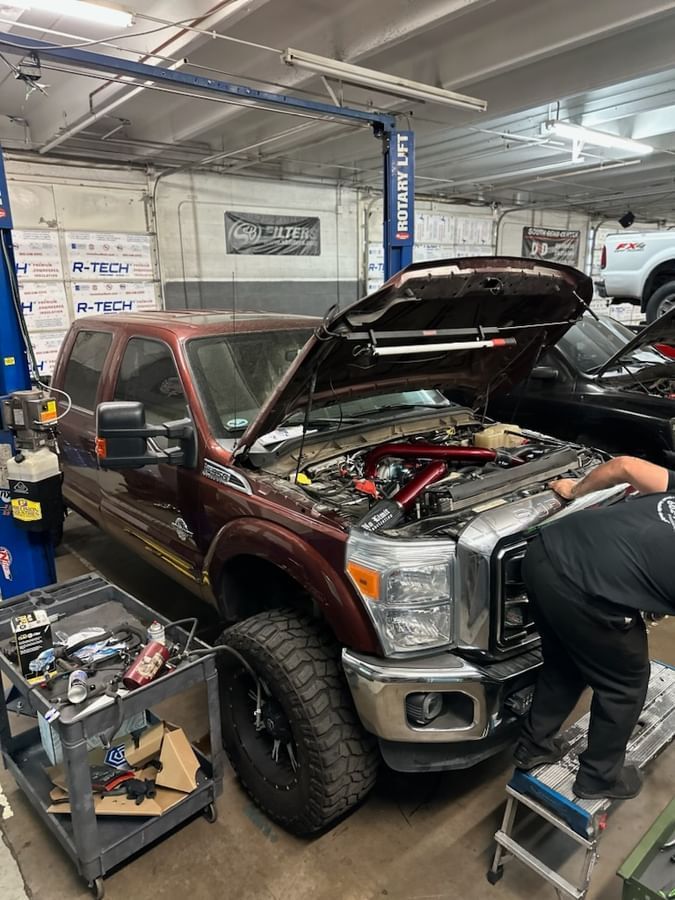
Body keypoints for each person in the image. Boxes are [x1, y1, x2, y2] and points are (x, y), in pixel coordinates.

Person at [512, 455, 675, 800]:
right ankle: (598, 779)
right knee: (625, 683)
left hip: (545, 552)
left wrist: (574, 489)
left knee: (566, 661)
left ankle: (533, 746)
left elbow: (625, 467)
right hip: (587, 588)